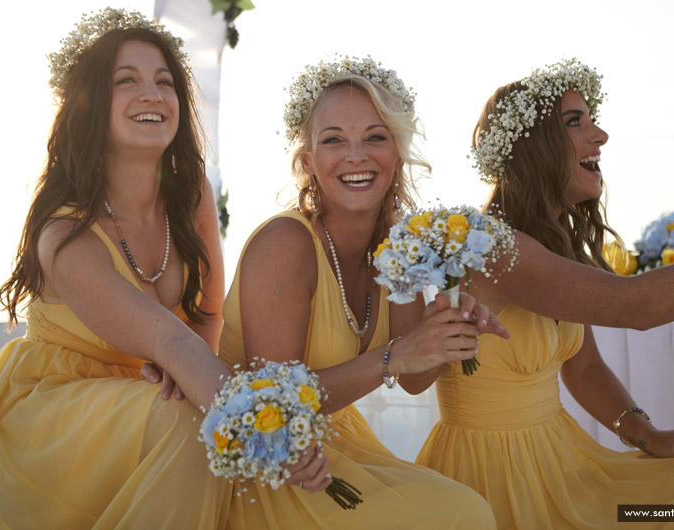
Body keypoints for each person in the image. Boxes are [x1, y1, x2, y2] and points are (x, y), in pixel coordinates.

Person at [0, 8, 327, 529]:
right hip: (52, 408)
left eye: (165, 81)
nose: (152, 94)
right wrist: (268, 434)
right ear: (89, 106)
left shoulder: (191, 195)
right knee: (199, 423)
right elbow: (172, 343)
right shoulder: (65, 234)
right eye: (127, 81)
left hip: (151, 390)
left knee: (195, 411)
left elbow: (207, 319)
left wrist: (186, 375)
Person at [415, 58, 674, 529]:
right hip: (499, 476)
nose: (600, 135)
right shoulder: (497, 248)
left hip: (561, 460)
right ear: (533, 148)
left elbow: (583, 367)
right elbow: (638, 305)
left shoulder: (546, 241)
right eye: (575, 122)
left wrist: (646, 434)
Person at [215, 56, 503, 529]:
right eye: (334, 140)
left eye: (375, 136)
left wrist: (446, 328)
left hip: (334, 441)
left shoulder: (395, 244)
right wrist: (396, 356)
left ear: (397, 153)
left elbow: (415, 378)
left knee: (466, 508)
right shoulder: (284, 244)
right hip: (267, 459)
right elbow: (279, 409)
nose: (356, 155)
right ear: (307, 162)